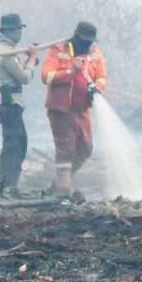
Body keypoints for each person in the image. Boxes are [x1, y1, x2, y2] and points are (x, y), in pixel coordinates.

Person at [42, 21, 106, 199]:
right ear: (76, 37)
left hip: (82, 109)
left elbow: (101, 76)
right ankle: (63, 192)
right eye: (84, 41)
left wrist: (97, 87)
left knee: (85, 148)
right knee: (65, 148)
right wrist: (70, 71)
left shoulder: (95, 53)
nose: (87, 45)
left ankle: (58, 184)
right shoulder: (59, 50)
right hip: (61, 109)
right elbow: (46, 75)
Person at [0, 13, 38, 197]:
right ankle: (5, 185)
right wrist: (33, 60)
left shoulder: (11, 51)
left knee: (19, 143)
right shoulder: (5, 53)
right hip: (9, 105)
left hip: (13, 104)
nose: (20, 32)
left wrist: (28, 59)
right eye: (17, 29)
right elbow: (25, 78)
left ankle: (7, 184)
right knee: (13, 146)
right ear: (9, 31)